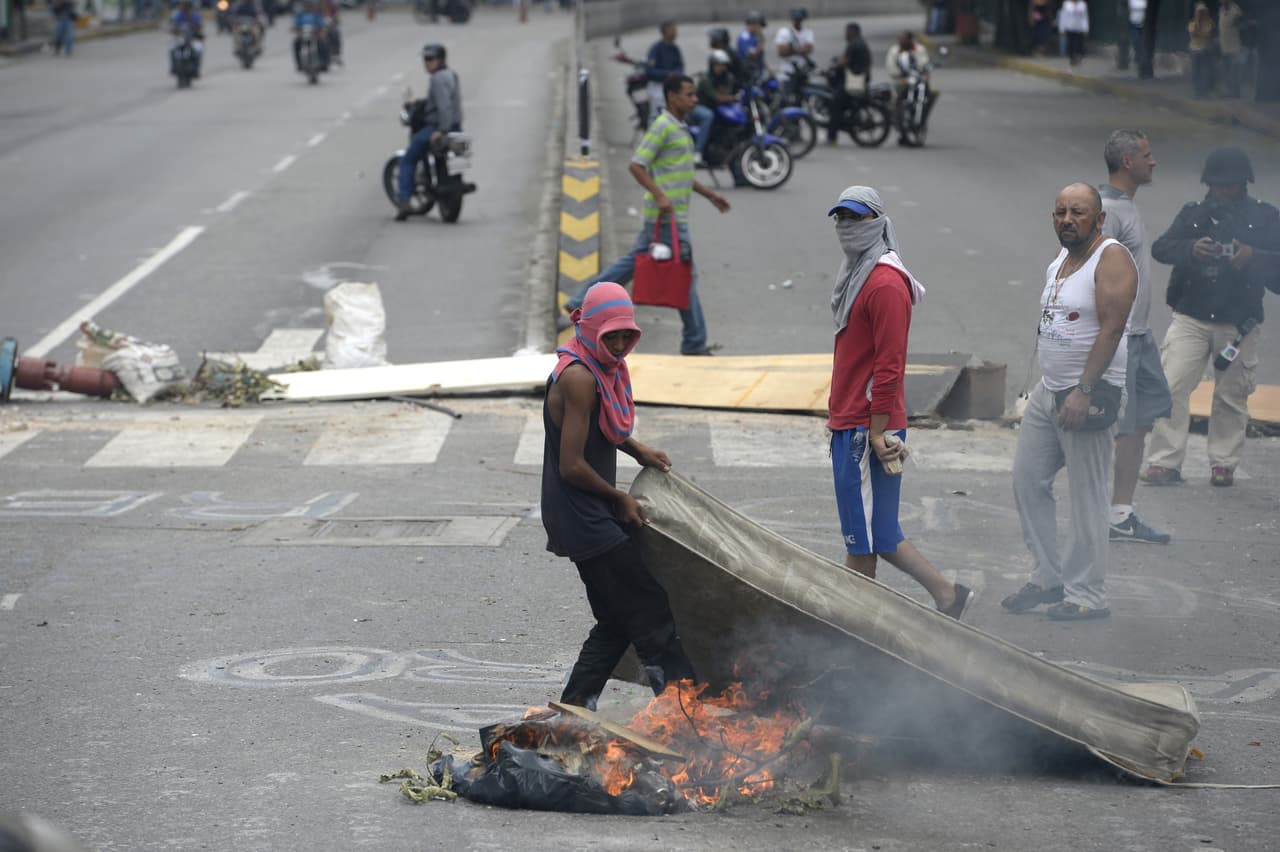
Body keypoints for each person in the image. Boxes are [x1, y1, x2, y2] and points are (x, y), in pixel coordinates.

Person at [544, 281, 697, 711]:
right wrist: (618, 499)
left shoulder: (596, 366)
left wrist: (637, 448)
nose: (617, 344)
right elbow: (571, 465)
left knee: (614, 621)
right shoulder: (579, 377)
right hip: (583, 514)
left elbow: (603, 428)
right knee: (650, 609)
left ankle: (573, 709)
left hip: (585, 511)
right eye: (609, 335)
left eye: (624, 335)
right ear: (590, 330)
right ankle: (687, 714)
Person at [824, 186, 972, 621]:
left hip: (866, 429)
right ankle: (948, 595)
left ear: (878, 224)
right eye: (841, 219)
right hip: (852, 421)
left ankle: (852, 630)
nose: (847, 228)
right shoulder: (858, 273)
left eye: (856, 219)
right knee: (880, 532)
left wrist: (874, 429)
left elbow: (890, 366)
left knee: (861, 539)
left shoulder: (886, 283)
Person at [1002, 183, 1137, 621]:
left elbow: (1111, 330)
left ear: (1098, 219)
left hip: (1088, 394)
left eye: (1077, 212)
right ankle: (1047, 577)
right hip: (1049, 392)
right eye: (1059, 211)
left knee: (1087, 498)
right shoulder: (1062, 257)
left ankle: (1087, 595)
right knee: (1028, 481)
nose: (1066, 219)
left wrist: (1084, 389)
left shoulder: (1110, 257)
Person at [563, 74, 730, 356]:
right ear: (672, 97)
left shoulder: (680, 127)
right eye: (689, 94)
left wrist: (710, 195)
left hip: (671, 217)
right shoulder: (663, 127)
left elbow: (681, 174)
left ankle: (581, 300)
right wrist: (661, 196)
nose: (695, 99)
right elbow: (637, 165)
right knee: (684, 275)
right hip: (666, 218)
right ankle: (694, 341)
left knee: (635, 264)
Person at [1144, 147, 1280, 488]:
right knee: (1171, 385)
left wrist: (1253, 257)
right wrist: (1191, 249)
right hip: (1191, 315)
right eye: (1218, 185)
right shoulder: (1194, 214)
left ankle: (1224, 462)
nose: (1223, 191)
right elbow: (1161, 248)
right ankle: (1164, 461)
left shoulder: (1265, 218)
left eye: (1230, 185)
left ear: (1243, 183)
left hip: (1240, 322)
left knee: (1231, 395)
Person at [1098, 130, 1172, 544]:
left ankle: (1120, 513)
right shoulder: (1108, 210)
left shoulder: (1124, 205)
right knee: (1109, 425)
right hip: (1121, 338)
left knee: (1140, 421)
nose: (1153, 161)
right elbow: (1096, 275)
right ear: (1128, 162)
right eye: (1147, 154)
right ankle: (1100, 512)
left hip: (1139, 336)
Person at [394, 43, 463, 221]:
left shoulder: (437, 79)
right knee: (458, 161)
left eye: (430, 59)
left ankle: (404, 203)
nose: (426, 63)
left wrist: (441, 130)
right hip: (457, 127)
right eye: (425, 59)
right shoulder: (451, 75)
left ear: (439, 60)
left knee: (408, 160)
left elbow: (444, 106)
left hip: (440, 127)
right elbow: (444, 101)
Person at [885, 31, 936, 143]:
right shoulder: (894, 51)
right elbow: (891, 68)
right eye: (900, 39)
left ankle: (921, 119)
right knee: (895, 100)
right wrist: (901, 77)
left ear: (910, 40)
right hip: (902, 80)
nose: (901, 41)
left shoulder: (919, 50)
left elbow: (924, 64)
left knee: (931, 95)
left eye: (904, 39)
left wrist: (924, 75)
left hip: (917, 79)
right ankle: (898, 122)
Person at [827, 21, 871, 146]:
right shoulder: (860, 43)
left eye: (847, 32)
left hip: (854, 82)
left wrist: (834, 67)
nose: (845, 34)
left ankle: (832, 137)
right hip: (860, 80)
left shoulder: (855, 44)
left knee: (835, 103)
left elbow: (844, 62)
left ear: (853, 32)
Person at [694, 50, 737, 156]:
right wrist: (733, 97)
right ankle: (697, 152)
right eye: (719, 65)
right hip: (699, 106)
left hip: (718, 107)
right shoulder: (705, 79)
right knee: (708, 116)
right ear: (712, 65)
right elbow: (717, 97)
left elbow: (728, 93)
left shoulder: (729, 77)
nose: (721, 68)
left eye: (723, 65)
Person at [644, 21, 683, 117]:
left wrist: (676, 74)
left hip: (672, 86)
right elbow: (649, 71)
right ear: (665, 31)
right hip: (657, 86)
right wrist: (667, 74)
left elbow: (680, 65)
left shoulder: (675, 49)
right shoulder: (656, 49)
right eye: (673, 30)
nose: (675, 32)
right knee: (657, 115)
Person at [774, 7, 815, 96]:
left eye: (799, 18)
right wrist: (800, 50)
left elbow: (809, 49)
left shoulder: (808, 32)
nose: (797, 20)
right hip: (787, 72)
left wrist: (792, 49)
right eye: (795, 18)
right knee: (786, 97)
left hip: (802, 71)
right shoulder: (784, 32)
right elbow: (781, 52)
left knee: (802, 96)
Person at [1188, 2, 1216, 98]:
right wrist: (1197, 22)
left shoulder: (1209, 22)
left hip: (1205, 49)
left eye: (1203, 12)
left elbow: (1208, 35)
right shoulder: (1192, 23)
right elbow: (1193, 34)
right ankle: (1197, 92)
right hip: (1195, 49)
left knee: (1205, 72)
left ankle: (1205, 92)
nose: (1201, 14)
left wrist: (1200, 33)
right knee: (1196, 72)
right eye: (1199, 12)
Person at [707, 26, 749, 92]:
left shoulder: (723, 56)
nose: (710, 40)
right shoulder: (726, 51)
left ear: (719, 40)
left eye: (712, 38)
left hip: (732, 89)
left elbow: (721, 76)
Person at [291, 0, 329, 72]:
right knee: (296, 43)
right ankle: (299, 63)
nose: (308, 6)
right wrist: (295, 29)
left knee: (323, 43)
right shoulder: (300, 14)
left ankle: (324, 62)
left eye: (310, 4)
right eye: (306, 4)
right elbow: (295, 24)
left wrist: (321, 31)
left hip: (315, 35)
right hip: (303, 35)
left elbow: (322, 24)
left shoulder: (317, 14)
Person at [1219, 0, 1246, 98]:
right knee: (1226, 71)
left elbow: (1241, 26)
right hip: (1224, 46)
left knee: (1234, 71)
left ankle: (1236, 93)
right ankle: (1229, 92)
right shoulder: (1221, 10)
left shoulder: (1236, 10)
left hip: (1235, 46)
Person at [169, 0, 204, 75]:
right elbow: (173, 26)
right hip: (181, 38)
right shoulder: (178, 15)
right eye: (184, 5)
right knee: (172, 49)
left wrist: (198, 31)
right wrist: (173, 30)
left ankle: (196, 69)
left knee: (198, 49)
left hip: (193, 39)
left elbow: (200, 27)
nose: (185, 7)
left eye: (187, 5)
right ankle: (173, 67)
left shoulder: (195, 15)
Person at [736, 11, 767, 84]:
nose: (761, 29)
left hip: (757, 72)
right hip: (748, 74)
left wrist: (769, 70)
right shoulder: (745, 37)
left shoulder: (754, 36)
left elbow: (760, 57)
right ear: (753, 24)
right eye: (759, 26)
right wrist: (761, 39)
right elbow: (752, 55)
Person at [1117, 0, 1146, 71]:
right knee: (1136, 41)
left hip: (1144, 25)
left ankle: (1140, 58)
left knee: (1142, 42)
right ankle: (1138, 57)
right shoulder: (1131, 1)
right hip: (1133, 24)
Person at [1058, 0, 1089, 66]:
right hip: (1070, 27)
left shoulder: (1082, 4)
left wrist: (1085, 28)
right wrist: (1062, 28)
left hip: (1079, 28)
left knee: (1078, 44)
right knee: (1071, 44)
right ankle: (1072, 59)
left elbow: (1085, 17)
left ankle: (1078, 57)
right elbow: (1063, 16)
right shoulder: (1066, 4)